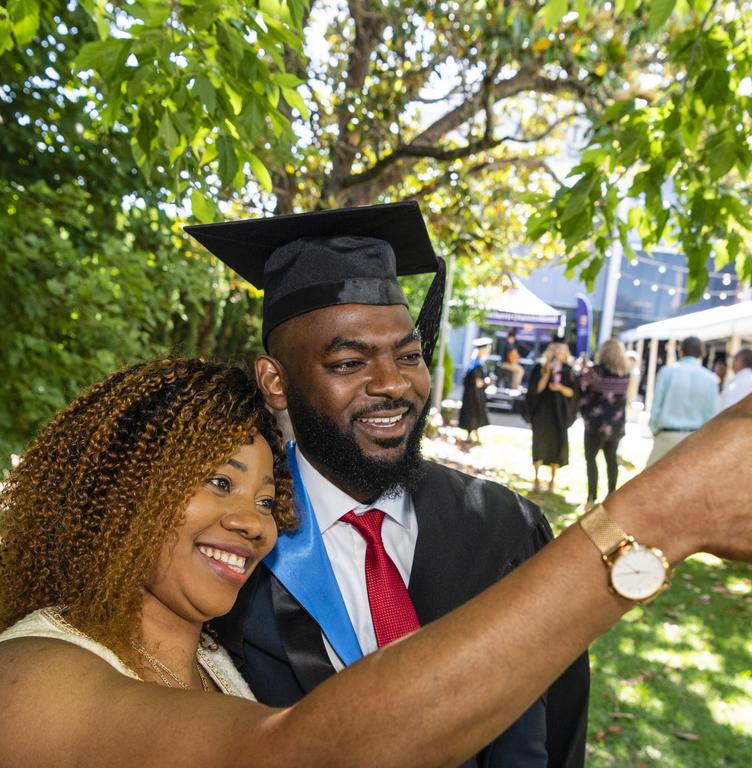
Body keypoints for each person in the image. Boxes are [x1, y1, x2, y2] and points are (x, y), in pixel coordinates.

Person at [0, 355, 752, 767]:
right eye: (215, 480)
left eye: (264, 495)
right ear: (116, 492)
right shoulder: (27, 683)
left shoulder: (210, 667)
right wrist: (662, 515)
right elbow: (306, 757)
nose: (251, 521)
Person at [188, 202, 590, 767]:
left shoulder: (504, 530)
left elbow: (560, 728)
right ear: (275, 381)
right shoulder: (231, 546)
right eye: (350, 363)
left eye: (409, 355)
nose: (394, 384)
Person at [647, 336, 719, 466]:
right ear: (701, 353)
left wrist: (654, 429)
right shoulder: (711, 379)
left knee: (650, 482)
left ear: (681, 351)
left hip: (666, 435)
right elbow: (711, 414)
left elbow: (656, 404)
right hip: (694, 438)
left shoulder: (667, 371)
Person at [577, 339, 630, 508]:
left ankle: (591, 498)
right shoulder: (625, 373)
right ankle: (611, 496)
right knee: (611, 460)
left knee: (591, 459)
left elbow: (579, 383)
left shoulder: (595, 372)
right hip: (616, 425)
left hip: (596, 424)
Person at [527, 341, 578, 493]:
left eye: (562, 351)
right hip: (542, 412)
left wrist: (560, 388)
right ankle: (536, 479)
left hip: (560, 413)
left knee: (557, 444)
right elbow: (536, 389)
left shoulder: (569, 371)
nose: (558, 354)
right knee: (540, 443)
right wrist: (547, 373)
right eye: (556, 351)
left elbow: (573, 394)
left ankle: (552, 481)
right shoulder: (540, 368)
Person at [459, 338, 492, 442]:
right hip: (474, 396)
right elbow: (478, 383)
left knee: (472, 415)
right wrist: (488, 381)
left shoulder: (473, 363)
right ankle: (473, 437)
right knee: (474, 414)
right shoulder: (478, 365)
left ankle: (473, 436)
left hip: (470, 395)